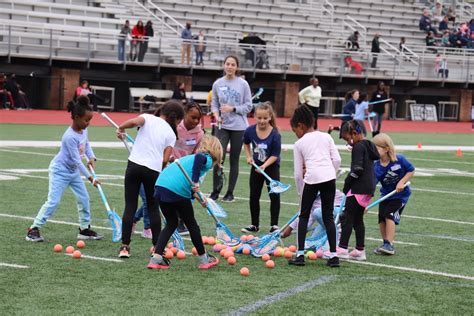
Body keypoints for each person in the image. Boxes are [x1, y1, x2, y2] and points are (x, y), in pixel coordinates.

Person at [26, 96, 102, 242]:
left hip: (72, 172)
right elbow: (77, 161)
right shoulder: (69, 137)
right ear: (76, 117)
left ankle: (84, 229)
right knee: (53, 201)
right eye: (86, 120)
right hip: (60, 171)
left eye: (90, 120)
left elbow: (86, 145)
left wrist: (92, 157)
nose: (88, 123)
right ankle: (33, 229)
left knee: (84, 198)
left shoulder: (83, 130)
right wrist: (91, 177)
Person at [116, 100, 185, 258]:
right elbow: (164, 159)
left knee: (130, 206)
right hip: (153, 170)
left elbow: (133, 122)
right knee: (153, 208)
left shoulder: (147, 117)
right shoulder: (171, 134)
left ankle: (124, 247)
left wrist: (121, 128)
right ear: (175, 119)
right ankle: (156, 246)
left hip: (133, 165)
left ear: (162, 112)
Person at [147, 135, 223, 270]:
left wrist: (201, 199)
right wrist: (195, 182)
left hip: (160, 187)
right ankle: (204, 259)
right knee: (192, 224)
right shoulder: (206, 158)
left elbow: (189, 186)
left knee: (171, 223)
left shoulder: (190, 160)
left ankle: (156, 258)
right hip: (175, 190)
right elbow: (199, 161)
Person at [288, 106, 341, 267]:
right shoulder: (327, 137)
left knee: (303, 216)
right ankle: (333, 257)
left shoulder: (299, 143)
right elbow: (337, 160)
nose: (295, 133)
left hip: (311, 179)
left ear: (301, 126)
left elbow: (298, 173)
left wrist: (300, 192)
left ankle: (300, 255)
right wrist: (330, 172)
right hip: (329, 178)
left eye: (294, 130)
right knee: (328, 217)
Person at [209, 55, 252, 202]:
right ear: (224, 65)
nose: (229, 67)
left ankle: (230, 193)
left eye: (233, 64)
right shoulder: (217, 83)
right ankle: (215, 191)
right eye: (227, 64)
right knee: (218, 159)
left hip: (239, 127)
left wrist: (232, 108)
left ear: (236, 67)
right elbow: (214, 103)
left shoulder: (243, 84)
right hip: (222, 126)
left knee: (234, 160)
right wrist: (216, 115)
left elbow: (248, 106)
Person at [337, 120, 380, 261]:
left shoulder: (358, 147)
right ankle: (360, 250)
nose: (349, 143)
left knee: (347, 217)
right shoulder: (368, 145)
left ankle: (342, 248)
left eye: (348, 139)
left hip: (358, 187)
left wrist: (347, 183)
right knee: (357, 219)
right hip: (368, 187)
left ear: (355, 133)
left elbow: (357, 169)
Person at [241, 102, 281, 234]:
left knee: (274, 195)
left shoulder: (275, 134)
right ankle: (254, 225)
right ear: (255, 117)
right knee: (254, 195)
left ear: (270, 117)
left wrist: (264, 166)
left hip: (271, 167)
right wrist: (248, 156)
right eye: (259, 118)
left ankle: (274, 225)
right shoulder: (250, 131)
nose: (262, 121)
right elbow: (246, 143)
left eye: (265, 118)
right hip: (256, 167)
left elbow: (275, 155)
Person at [372, 133, 415, 255]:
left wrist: (401, 182)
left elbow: (411, 170)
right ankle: (385, 243)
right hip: (386, 195)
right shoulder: (376, 166)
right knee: (381, 218)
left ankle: (390, 245)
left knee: (389, 215)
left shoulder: (399, 159)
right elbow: (372, 184)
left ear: (386, 149)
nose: (374, 151)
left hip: (400, 196)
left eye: (377, 148)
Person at [171, 101, 205, 234]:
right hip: (171, 164)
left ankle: (180, 223)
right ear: (185, 114)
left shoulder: (199, 134)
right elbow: (168, 143)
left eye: (198, 118)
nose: (196, 121)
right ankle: (138, 219)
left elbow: (196, 153)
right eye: (193, 117)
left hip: (185, 168)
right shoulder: (175, 127)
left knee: (184, 195)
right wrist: (171, 159)